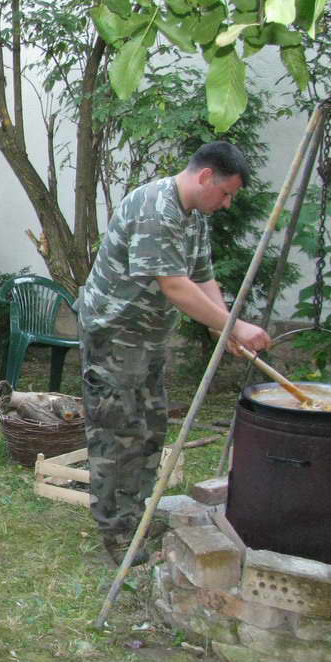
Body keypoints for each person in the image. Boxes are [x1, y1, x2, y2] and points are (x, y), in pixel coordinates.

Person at [77, 141, 272, 566]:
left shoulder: (193, 216)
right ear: (206, 176)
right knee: (117, 434)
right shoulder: (155, 207)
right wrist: (235, 326)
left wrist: (224, 326)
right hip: (115, 335)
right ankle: (117, 534)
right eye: (226, 193)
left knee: (149, 429)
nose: (227, 203)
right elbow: (174, 286)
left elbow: (202, 278)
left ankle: (136, 516)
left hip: (147, 339)